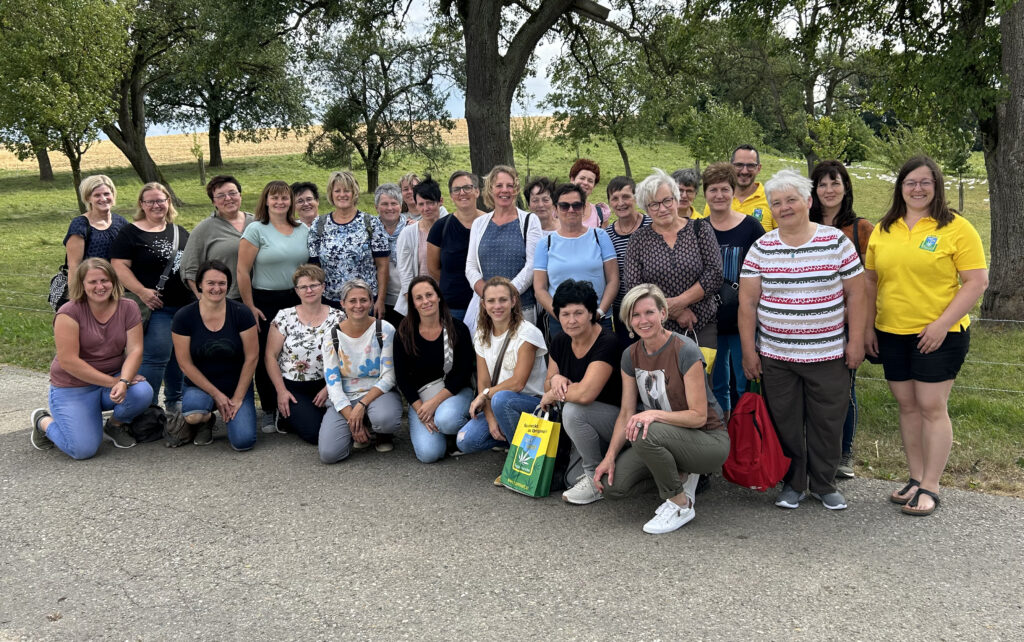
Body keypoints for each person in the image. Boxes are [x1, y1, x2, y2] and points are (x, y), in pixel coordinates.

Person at [864, 156, 988, 517]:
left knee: (932, 407)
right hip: (891, 331)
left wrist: (940, 324)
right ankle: (915, 478)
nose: (917, 189)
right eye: (910, 182)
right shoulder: (884, 229)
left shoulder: (957, 228)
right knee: (907, 406)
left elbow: (976, 281)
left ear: (937, 186)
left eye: (925, 182)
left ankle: (932, 485)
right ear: (900, 187)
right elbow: (871, 280)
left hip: (940, 333)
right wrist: (870, 325)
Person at [739, 169, 865, 511]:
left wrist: (856, 342)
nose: (784, 207)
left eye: (791, 200)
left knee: (828, 422)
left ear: (808, 201)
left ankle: (823, 484)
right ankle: (793, 483)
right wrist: (749, 352)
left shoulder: (836, 241)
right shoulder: (761, 247)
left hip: (829, 354)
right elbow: (748, 303)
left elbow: (857, 295)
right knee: (785, 423)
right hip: (777, 357)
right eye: (776, 202)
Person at [593, 284, 730, 534]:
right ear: (628, 320)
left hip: (708, 439)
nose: (643, 320)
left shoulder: (685, 349)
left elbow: (699, 416)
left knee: (645, 428)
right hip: (663, 436)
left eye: (649, 313)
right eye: (635, 315)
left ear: (663, 314)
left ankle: (680, 503)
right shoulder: (630, 355)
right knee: (612, 486)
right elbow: (625, 412)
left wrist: (653, 414)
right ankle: (677, 474)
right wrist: (609, 457)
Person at [30, 258, 154, 457]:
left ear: (113, 281)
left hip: (110, 381)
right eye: (92, 282)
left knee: (142, 392)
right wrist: (115, 381)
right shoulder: (68, 313)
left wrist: (124, 381)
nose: (100, 286)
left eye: (104, 280)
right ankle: (43, 421)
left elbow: (135, 350)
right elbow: (69, 361)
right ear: (82, 284)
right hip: (73, 386)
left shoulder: (128, 307)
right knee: (82, 450)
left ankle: (114, 425)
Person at [811, 160, 874, 478]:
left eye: (835, 183)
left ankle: (844, 453)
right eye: (822, 184)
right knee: (812, 390)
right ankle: (815, 452)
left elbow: (870, 280)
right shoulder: (804, 225)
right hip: (808, 323)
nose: (829, 190)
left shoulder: (861, 228)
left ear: (846, 187)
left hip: (848, 322)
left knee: (843, 389)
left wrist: (857, 321)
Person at [539, 279, 623, 505]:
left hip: (615, 422)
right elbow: (547, 385)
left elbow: (586, 394)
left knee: (573, 410)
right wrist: (555, 379)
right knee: (568, 480)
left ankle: (593, 478)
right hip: (583, 424)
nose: (571, 320)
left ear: (591, 313)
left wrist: (554, 392)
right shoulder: (560, 341)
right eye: (565, 314)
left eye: (578, 313)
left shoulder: (608, 342)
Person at [110, 182, 192, 413]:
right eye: (151, 201)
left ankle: (174, 401)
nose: (157, 205)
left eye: (161, 200)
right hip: (156, 308)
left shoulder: (179, 231)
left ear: (168, 202)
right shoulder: (130, 233)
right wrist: (142, 291)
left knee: (179, 357)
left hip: (185, 306)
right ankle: (148, 407)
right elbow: (119, 266)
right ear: (142, 205)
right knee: (156, 357)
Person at [237, 180, 308, 432]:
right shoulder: (256, 229)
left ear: (291, 202)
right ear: (266, 201)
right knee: (267, 356)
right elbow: (242, 272)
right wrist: (249, 306)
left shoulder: (302, 229)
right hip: (265, 301)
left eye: (285, 198)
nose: (280, 202)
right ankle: (268, 409)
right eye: (274, 198)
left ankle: (291, 407)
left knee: (295, 353)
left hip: (297, 300)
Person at [625, 168, 722, 347]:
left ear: (676, 199)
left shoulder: (700, 230)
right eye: (653, 204)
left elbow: (714, 274)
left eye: (667, 200)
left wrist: (680, 302)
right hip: (656, 328)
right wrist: (674, 312)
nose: (662, 209)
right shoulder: (637, 240)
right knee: (663, 375)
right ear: (646, 209)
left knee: (701, 374)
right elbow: (635, 287)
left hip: (701, 324)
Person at [456, 277, 548, 460]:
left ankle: (520, 462)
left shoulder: (528, 333)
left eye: (503, 300)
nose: (497, 306)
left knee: (501, 399)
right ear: (483, 304)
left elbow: (517, 383)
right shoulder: (482, 334)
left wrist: (485, 395)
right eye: (491, 301)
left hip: (532, 405)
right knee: (465, 440)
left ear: (513, 301)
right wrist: (491, 419)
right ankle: (513, 439)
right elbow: (484, 383)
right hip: (499, 402)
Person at [172, 260, 259, 450]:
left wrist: (237, 397)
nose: (216, 288)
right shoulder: (184, 316)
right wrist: (217, 395)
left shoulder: (241, 313)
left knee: (243, 442)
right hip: (200, 386)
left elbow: (252, 357)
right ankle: (205, 420)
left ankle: (224, 412)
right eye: (211, 283)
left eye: (222, 283)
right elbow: (185, 364)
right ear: (200, 284)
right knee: (194, 414)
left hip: (236, 386)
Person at [702, 163, 764, 417]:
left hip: (743, 320)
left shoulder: (751, 227)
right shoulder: (698, 229)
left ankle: (746, 435)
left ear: (733, 191)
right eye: (713, 189)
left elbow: (764, 271)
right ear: (705, 194)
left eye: (725, 189)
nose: (719, 195)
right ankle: (722, 434)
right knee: (716, 384)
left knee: (744, 380)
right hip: (711, 320)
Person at [319, 279, 403, 463]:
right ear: (342, 304)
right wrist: (351, 417)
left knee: (385, 419)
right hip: (345, 395)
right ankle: (358, 427)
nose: (358, 306)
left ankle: (381, 433)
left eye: (364, 300)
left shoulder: (384, 329)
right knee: (329, 454)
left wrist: (361, 405)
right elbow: (332, 381)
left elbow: (389, 376)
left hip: (378, 392)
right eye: (352, 301)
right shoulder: (332, 336)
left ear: (371, 302)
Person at [393, 276, 474, 463]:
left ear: (438, 297)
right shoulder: (404, 333)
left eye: (429, 295)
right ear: (413, 303)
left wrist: (434, 404)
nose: (425, 301)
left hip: (454, 393)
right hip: (421, 399)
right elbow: (402, 377)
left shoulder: (457, 328)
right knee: (429, 454)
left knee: (447, 419)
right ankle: (441, 435)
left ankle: (456, 432)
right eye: (419, 298)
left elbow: (462, 373)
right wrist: (421, 409)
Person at [265, 265, 343, 444]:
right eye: (303, 287)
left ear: (323, 287)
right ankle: (286, 416)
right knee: (314, 434)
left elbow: (346, 357)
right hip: (294, 388)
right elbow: (270, 356)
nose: (309, 290)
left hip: (328, 384)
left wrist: (329, 388)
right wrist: (281, 391)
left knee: (344, 425)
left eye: (314, 285)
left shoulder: (338, 317)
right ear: (296, 290)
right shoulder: (284, 317)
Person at [533, 183, 618, 339]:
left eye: (576, 205)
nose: (571, 210)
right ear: (555, 209)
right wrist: (562, 316)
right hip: (561, 323)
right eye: (564, 206)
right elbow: (540, 288)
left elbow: (613, 280)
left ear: (584, 207)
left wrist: (600, 312)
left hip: (598, 319)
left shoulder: (600, 237)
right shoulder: (545, 244)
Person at [307, 170, 390, 315]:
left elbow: (383, 266)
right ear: (331, 194)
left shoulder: (371, 223)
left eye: (347, 190)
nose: (342, 195)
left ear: (354, 193)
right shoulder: (319, 225)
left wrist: (381, 301)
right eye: (337, 190)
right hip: (330, 302)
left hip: (364, 303)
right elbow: (315, 267)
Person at [466, 166, 541, 325]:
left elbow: (533, 265)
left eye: (510, 185)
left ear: (516, 189)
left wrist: (505, 295)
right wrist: (489, 297)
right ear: (490, 189)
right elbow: (471, 266)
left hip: (522, 308)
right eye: (499, 185)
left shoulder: (530, 221)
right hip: (488, 310)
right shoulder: (479, 224)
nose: (504, 190)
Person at [180, 175, 253, 301]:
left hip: (263, 297)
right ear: (213, 202)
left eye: (232, 193)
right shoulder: (204, 229)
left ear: (240, 195)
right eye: (220, 196)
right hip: (227, 299)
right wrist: (205, 300)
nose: (228, 198)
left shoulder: (258, 222)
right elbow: (189, 269)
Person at [603, 176, 651, 345]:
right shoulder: (607, 235)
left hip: (652, 305)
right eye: (614, 198)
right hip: (623, 309)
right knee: (630, 355)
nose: (620, 203)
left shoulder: (651, 225)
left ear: (636, 198)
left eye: (625, 196)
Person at [426, 175, 477, 321]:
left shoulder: (489, 224)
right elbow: (433, 268)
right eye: (457, 189)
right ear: (451, 196)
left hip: (486, 305)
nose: (462, 193)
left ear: (477, 191)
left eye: (467, 187)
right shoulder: (440, 227)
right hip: (453, 307)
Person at [394, 178, 445, 316]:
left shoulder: (450, 229)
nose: (426, 208)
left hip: (447, 299)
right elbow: (405, 273)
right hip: (420, 303)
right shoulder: (408, 233)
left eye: (430, 203)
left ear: (440, 201)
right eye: (421, 204)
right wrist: (415, 305)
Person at [62, 175, 129, 278]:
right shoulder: (80, 226)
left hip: (120, 286)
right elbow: (74, 267)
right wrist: (75, 294)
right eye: (97, 195)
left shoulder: (121, 222)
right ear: (88, 198)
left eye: (106, 194)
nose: (103, 199)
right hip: (91, 287)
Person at [702, 145, 776, 231]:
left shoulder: (771, 198)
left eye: (750, 165)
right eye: (739, 165)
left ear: (758, 168)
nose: (744, 171)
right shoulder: (718, 200)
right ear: (731, 167)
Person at [374, 182, 408, 327]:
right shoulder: (370, 229)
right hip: (379, 299)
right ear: (376, 207)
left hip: (405, 299)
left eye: (394, 203)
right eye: (384, 204)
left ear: (400, 206)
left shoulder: (411, 228)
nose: (389, 208)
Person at [569, 158, 609, 228]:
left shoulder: (599, 214)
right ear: (572, 179)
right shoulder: (557, 209)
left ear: (594, 186)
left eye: (590, 181)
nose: (585, 183)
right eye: (582, 178)